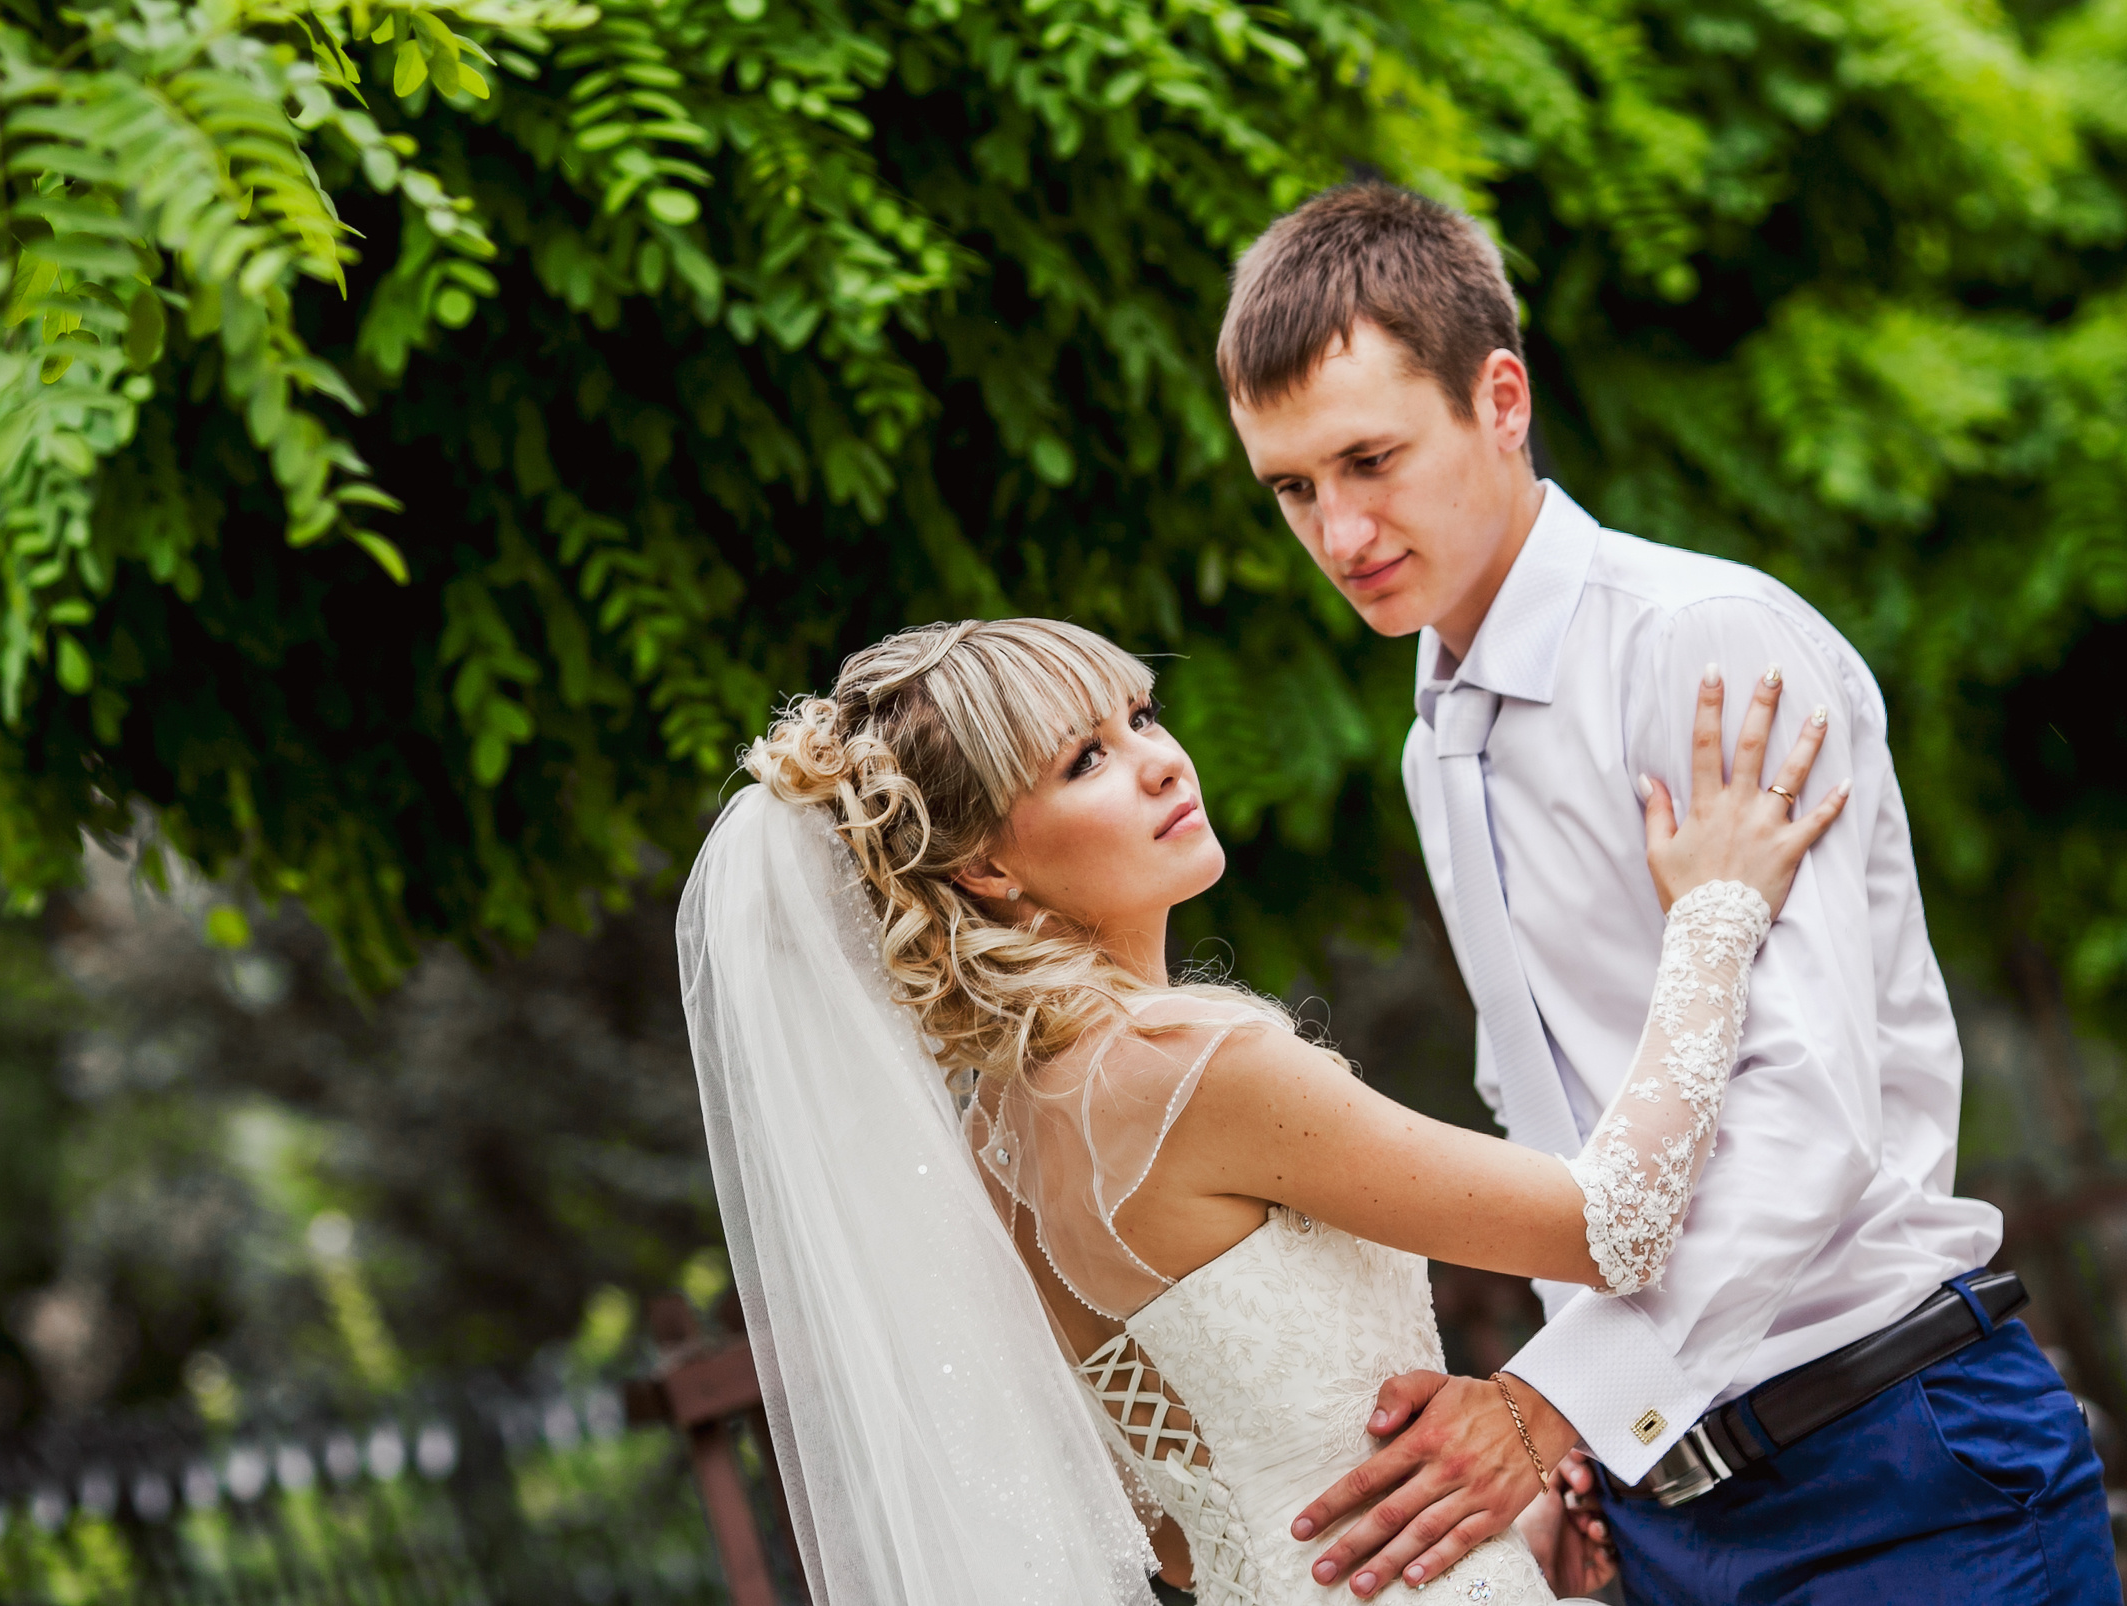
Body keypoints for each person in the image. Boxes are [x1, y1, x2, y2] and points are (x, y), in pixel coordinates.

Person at [1221, 182, 2116, 1602]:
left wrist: (1554, 1398)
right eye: (1294, 488)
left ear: (1500, 399)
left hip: (1897, 1462)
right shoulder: (1431, 737)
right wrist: (1600, 1428)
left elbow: (1807, 1111)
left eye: (1370, 459)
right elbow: (1555, 1117)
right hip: (1661, 1506)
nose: (1338, 533)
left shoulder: (1702, 645)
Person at [679, 614, 1842, 1604]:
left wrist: (1508, 1536)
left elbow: (1177, 1529)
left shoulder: (1003, 1139)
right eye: (1082, 759)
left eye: (1140, 716)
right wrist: (1714, 913)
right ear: (986, 868)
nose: (1161, 762)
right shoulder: (1189, 1060)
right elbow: (1615, 1226)